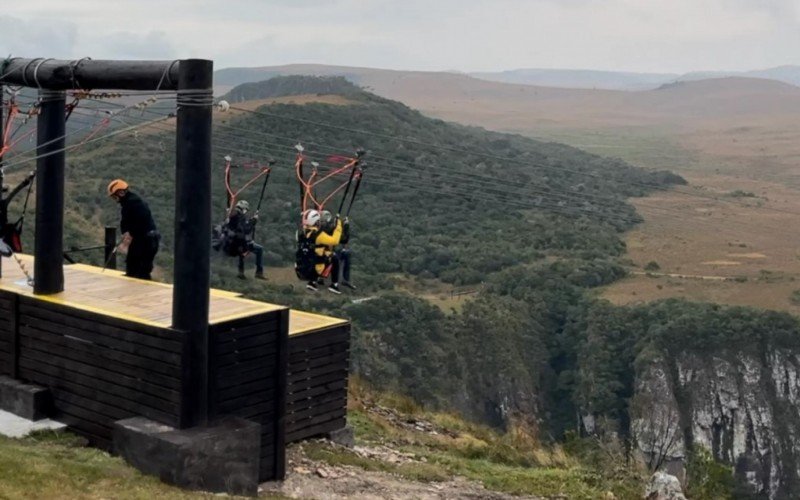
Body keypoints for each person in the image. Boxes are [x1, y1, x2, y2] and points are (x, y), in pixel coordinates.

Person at [107, 179, 160, 280]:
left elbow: (128, 222)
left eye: (115, 196)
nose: (115, 199)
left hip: (144, 240)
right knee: (142, 270)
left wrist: (127, 236)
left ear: (121, 193)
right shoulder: (136, 201)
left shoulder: (130, 204)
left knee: (135, 269)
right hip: (151, 239)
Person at [299, 209, 342, 293]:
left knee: (321, 253)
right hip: (317, 267)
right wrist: (338, 226)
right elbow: (335, 241)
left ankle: (312, 282)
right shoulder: (319, 235)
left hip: (304, 267)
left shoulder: (303, 233)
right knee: (334, 257)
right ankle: (334, 284)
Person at [225, 200, 266, 280]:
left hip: (231, 243)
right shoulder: (240, 217)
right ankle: (258, 272)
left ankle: (241, 272)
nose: (246, 212)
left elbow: (241, 226)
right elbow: (246, 230)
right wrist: (253, 221)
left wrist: (251, 221)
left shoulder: (233, 215)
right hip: (237, 243)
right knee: (259, 249)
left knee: (242, 250)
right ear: (243, 209)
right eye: (246, 210)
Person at [334, 217, 356, 290]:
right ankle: (335, 282)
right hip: (330, 251)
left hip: (336, 250)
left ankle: (345, 279)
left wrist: (346, 226)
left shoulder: (340, 233)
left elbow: (344, 240)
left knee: (347, 254)